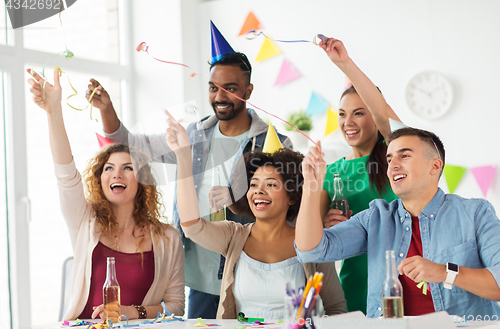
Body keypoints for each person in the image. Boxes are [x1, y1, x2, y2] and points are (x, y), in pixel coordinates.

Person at [86, 52, 291, 318]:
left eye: (230, 89)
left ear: (248, 90)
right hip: (200, 276)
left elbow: (287, 210)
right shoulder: (194, 135)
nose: (219, 97)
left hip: (251, 273)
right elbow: (133, 145)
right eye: (213, 88)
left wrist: (237, 201)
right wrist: (106, 109)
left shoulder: (274, 143)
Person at [27, 68, 185, 321]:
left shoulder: (167, 238)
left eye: (128, 168)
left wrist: (132, 312)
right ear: (100, 180)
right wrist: (53, 111)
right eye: (108, 168)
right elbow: (66, 175)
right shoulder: (85, 222)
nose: (116, 175)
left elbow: (176, 306)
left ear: (143, 180)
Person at [296, 128, 500, 318]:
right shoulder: (375, 218)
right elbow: (311, 250)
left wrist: (445, 272)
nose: (392, 165)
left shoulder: (475, 213)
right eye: (390, 158)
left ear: (435, 166)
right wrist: (311, 188)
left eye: (404, 155)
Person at [164, 111, 346, 319]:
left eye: (271, 184)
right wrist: (183, 156)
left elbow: (336, 308)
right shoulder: (234, 236)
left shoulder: (312, 243)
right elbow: (191, 225)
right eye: (253, 184)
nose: (259, 191)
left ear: (292, 196)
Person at [316, 37, 401, 314]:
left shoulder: (395, 155)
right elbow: (311, 240)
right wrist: (327, 224)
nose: (347, 123)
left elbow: (382, 110)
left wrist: (344, 64)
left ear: (375, 118)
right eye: (342, 114)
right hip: (353, 285)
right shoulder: (331, 172)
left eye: (358, 113)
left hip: (400, 278)